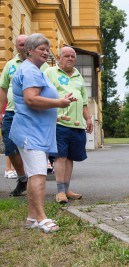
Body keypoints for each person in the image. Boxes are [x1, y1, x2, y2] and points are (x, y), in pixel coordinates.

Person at [10, 33, 76, 232]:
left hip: (36, 130)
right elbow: (30, 99)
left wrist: (55, 116)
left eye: (47, 50)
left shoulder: (34, 70)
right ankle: (41, 217)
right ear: (29, 50)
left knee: (34, 174)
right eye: (42, 49)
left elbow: (28, 103)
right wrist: (59, 103)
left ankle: (32, 217)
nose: (46, 53)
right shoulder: (30, 71)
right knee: (38, 173)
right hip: (31, 132)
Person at [0, 35, 49, 196]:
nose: (22, 47)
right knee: (9, 147)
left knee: (33, 148)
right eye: (20, 44)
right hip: (12, 112)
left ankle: (33, 179)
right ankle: (23, 178)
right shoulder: (10, 65)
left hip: (33, 113)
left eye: (24, 44)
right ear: (16, 46)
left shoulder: (43, 66)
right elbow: (3, 88)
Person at [44, 46, 93, 203]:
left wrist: (89, 119)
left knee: (70, 157)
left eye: (73, 56)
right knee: (60, 156)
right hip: (59, 123)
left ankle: (66, 189)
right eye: (66, 56)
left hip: (77, 125)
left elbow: (84, 101)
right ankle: (59, 192)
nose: (70, 58)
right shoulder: (50, 73)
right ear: (59, 58)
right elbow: (42, 95)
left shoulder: (78, 76)